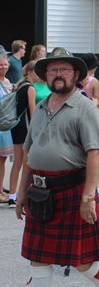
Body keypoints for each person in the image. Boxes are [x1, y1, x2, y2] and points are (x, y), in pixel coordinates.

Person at [13, 47, 99, 287]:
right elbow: (28, 151)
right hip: (39, 192)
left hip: (72, 191)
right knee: (37, 256)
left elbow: (96, 154)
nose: (58, 75)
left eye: (64, 70)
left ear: (76, 75)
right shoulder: (43, 105)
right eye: (52, 70)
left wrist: (88, 198)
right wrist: (21, 192)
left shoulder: (84, 107)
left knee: (81, 259)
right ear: (45, 75)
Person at [8, 61, 38, 208]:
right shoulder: (30, 88)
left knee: (17, 163)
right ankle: (24, 194)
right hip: (25, 128)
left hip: (16, 127)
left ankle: (12, 196)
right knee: (25, 162)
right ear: (30, 73)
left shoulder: (20, 86)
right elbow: (33, 112)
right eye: (37, 71)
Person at [0, 54, 14, 204]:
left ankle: (1, 189)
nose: (3, 67)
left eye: (5, 64)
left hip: (6, 126)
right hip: (0, 126)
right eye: (0, 65)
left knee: (2, 160)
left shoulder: (8, 82)